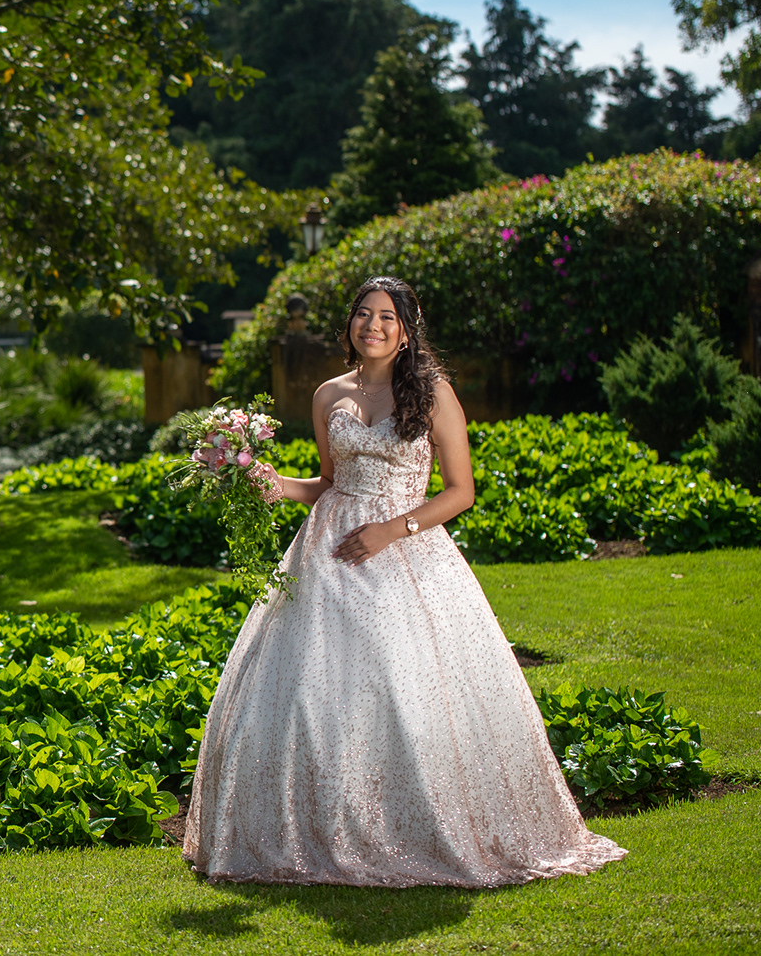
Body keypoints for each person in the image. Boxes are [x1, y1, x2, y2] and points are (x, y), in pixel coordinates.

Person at [182, 276, 624, 887]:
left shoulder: (433, 393)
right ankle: (319, 824)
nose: (374, 326)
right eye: (364, 315)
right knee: (314, 694)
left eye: (388, 317)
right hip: (328, 555)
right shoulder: (327, 395)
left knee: (404, 686)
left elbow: (460, 492)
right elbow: (326, 486)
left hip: (406, 555)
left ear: (407, 330)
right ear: (349, 326)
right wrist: (262, 477)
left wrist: (394, 529)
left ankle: (412, 823)